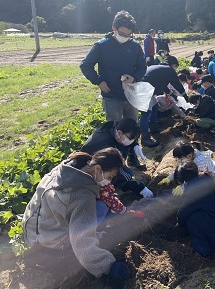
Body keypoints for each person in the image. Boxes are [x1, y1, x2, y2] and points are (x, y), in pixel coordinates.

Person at [22, 148, 131, 284]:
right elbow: (81, 241)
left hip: (32, 227)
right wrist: (108, 266)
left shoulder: (72, 164)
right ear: (98, 169)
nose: (109, 182)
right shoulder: (81, 196)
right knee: (101, 208)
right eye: (109, 177)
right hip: (46, 242)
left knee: (98, 206)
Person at [80, 10, 146, 123]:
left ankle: (133, 141)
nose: (125, 37)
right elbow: (85, 65)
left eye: (128, 35)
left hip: (130, 93)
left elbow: (142, 67)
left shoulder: (135, 46)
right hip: (111, 95)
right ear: (114, 28)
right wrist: (98, 81)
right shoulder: (102, 46)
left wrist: (134, 77)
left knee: (132, 126)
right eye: (122, 34)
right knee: (115, 127)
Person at [80, 119, 154, 199]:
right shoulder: (106, 144)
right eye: (130, 139)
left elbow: (126, 140)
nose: (131, 141)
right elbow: (116, 169)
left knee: (128, 173)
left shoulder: (115, 130)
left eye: (133, 139)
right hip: (87, 171)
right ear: (119, 133)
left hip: (100, 165)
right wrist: (138, 187)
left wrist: (134, 145)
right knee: (126, 175)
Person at [140, 64, 189, 146]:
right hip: (144, 90)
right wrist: (186, 97)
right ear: (174, 64)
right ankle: (145, 138)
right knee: (146, 112)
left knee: (154, 105)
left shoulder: (161, 70)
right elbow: (177, 84)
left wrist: (173, 95)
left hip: (146, 88)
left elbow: (162, 85)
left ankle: (154, 129)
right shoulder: (169, 70)